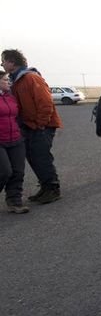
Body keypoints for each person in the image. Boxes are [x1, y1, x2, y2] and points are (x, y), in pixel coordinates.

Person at [1, 49, 62, 204]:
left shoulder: (30, 77)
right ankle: (45, 187)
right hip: (30, 126)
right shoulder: (15, 80)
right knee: (33, 157)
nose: (2, 63)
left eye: (4, 60)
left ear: (12, 62)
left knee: (41, 156)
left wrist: (41, 124)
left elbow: (46, 102)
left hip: (42, 126)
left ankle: (52, 189)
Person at [0, 71, 28, 214]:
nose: (9, 82)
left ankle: (14, 201)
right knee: (4, 171)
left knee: (18, 172)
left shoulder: (10, 97)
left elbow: (17, 117)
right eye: (5, 79)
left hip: (16, 139)